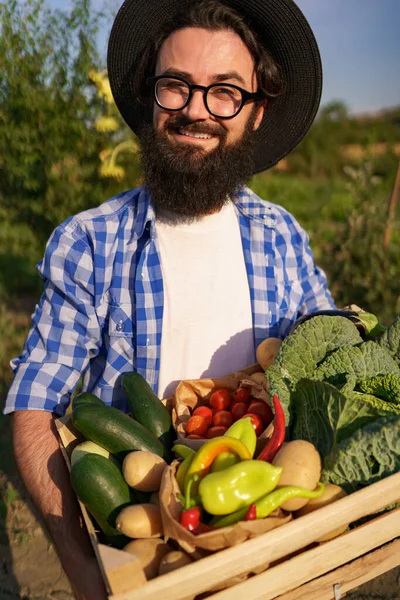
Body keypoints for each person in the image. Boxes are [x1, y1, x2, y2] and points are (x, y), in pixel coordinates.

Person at [4, 0, 336, 597]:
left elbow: (330, 359)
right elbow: (33, 406)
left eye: (226, 92)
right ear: (149, 93)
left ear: (256, 113)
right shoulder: (91, 242)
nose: (196, 111)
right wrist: (85, 574)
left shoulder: (282, 236)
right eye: (176, 85)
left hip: (278, 549)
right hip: (147, 561)